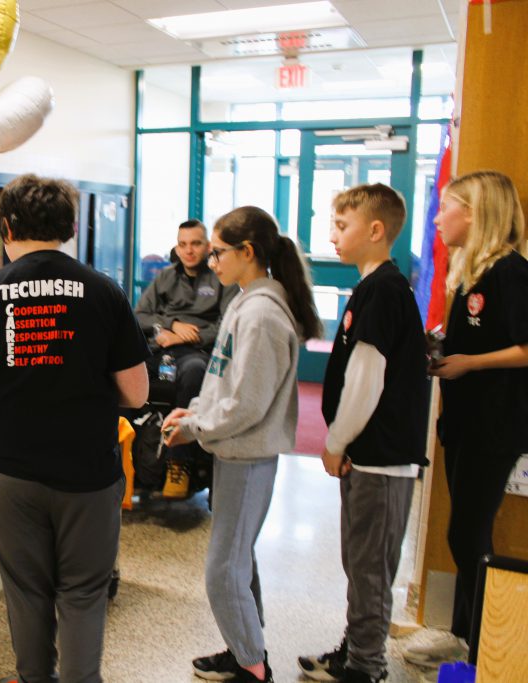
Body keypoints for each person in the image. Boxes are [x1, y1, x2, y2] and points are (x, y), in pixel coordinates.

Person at [0, 174, 149, 683]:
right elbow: (137, 394)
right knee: (82, 592)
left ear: (5, 226)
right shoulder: (104, 292)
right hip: (89, 473)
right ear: (71, 227)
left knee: (26, 591)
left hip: (10, 472)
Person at [162, 206, 322, 683]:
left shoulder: (262, 315)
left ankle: (253, 667)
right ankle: (243, 647)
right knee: (238, 560)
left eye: (218, 253)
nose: (211, 262)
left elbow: (246, 404)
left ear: (247, 252)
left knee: (223, 572)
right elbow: (224, 380)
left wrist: (195, 427)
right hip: (233, 450)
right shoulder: (245, 301)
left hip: (248, 454)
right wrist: (194, 411)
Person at [296, 184, 429, 683]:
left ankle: (366, 667)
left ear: (376, 231)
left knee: (370, 569)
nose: (332, 235)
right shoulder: (373, 287)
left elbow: (365, 379)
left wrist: (335, 442)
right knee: (361, 563)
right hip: (369, 455)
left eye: (341, 225)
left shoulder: (385, 290)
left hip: (380, 458)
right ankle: (356, 649)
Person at [402, 170, 528, 670]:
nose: (438, 216)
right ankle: (463, 633)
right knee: (464, 533)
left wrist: (470, 363)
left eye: (447, 206)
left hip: (494, 425)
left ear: (475, 213)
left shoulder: (510, 272)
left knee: (469, 533)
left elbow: (523, 347)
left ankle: (476, 642)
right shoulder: (471, 272)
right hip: (465, 421)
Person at [135, 218, 238, 408]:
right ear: (177, 248)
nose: (188, 251)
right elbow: (139, 316)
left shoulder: (222, 278)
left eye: (195, 244)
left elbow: (228, 328)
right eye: (183, 245)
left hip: (197, 353)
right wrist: (172, 324)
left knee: (194, 371)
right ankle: (127, 434)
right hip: (160, 349)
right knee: (123, 366)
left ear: (208, 247)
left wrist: (184, 338)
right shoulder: (166, 276)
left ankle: (181, 434)